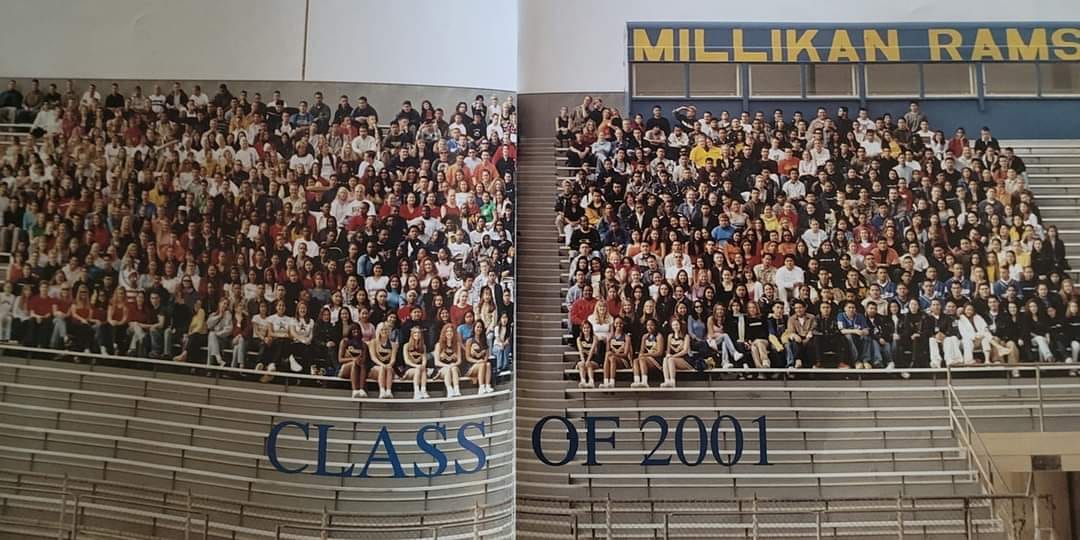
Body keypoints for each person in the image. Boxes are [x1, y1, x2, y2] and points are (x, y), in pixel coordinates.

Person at [366, 322, 398, 399]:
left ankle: (389, 391)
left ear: (389, 331)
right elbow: (373, 357)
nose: (384, 331)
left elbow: (393, 359)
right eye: (382, 330)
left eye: (386, 330)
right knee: (382, 368)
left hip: (388, 367)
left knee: (389, 368)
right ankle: (382, 391)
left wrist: (389, 365)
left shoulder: (394, 344)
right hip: (375, 367)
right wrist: (382, 365)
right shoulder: (373, 342)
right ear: (378, 331)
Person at [661, 317, 692, 388]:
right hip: (672, 359)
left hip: (685, 359)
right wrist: (668, 355)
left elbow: (685, 351)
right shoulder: (670, 336)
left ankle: (672, 382)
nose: (675, 326)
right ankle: (666, 381)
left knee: (671, 360)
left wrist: (672, 356)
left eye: (677, 324)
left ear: (680, 325)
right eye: (673, 325)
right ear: (671, 326)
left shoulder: (686, 336)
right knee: (665, 359)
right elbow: (668, 350)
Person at [602, 317, 632, 389]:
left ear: (623, 324)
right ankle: (606, 382)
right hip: (611, 359)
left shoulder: (626, 337)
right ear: (614, 324)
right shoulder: (610, 336)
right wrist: (608, 341)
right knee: (609, 356)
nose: (619, 325)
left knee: (611, 357)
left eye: (620, 323)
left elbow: (625, 354)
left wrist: (614, 354)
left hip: (623, 360)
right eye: (617, 323)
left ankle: (611, 382)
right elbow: (607, 351)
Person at [434, 324, 464, 397]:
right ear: (444, 333)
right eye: (447, 331)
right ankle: (450, 390)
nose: (449, 333)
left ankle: (456, 390)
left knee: (453, 368)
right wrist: (448, 366)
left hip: (454, 368)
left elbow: (459, 361)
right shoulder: (438, 345)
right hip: (442, 369)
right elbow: (436, 362)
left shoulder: (457, 345)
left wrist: (453, 365)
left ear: (454, 333)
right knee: (448, 369)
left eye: (451, 331)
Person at [466, 320, 494, 394]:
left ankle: (487, 386)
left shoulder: (484, 340)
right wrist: (478, 361)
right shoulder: (469, 340)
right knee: (482, 364)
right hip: (472, 366)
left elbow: (487, 355)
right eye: (477, 327)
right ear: (474, 328)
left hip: (482, 364)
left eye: (481, 327)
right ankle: (481, 387)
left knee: (488, 364)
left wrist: (484, 360)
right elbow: (467, 357)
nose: (479, 329)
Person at [403, 326, 430, 399]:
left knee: (423, 369)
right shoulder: (406, 345)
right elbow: (406, 361)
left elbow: (424, 359)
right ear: (412, 334)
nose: (417, 334)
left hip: (420, 369)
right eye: (415, 333)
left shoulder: (423, 346)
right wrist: (417, 366)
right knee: (418, 369)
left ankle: (423, 390)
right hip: (409, 369)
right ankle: (416, 392)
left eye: (418, 333)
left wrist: (423, 365)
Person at [575, 320, 599, 388]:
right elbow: (580, 351)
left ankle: (591, 382)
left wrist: (588, 360)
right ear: (582, 329)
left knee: (589, 364)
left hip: (593, 358)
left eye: (588, 328)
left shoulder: (594, 338)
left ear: (590, 328)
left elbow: (593, 351)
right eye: (584, 328)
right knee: (581, 364)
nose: (586, 329)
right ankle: (583, 381)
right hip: (583, 358)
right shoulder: (579, 339)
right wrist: (583, 360)